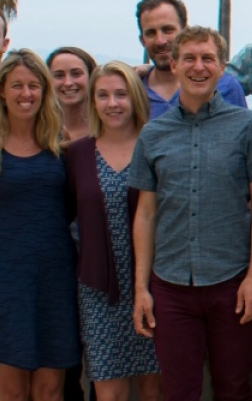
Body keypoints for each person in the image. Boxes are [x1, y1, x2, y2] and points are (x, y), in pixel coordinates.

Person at [126, 26, 252, 401]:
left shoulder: (247, 126)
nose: (198, 67)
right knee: (179, 391)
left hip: (232, 282)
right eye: (190, 58)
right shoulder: (152, 134)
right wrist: (141, 289)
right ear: (174, 64)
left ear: (222, 68)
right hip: (171, 285)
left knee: (234, 386)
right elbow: (145, 214)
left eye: (208, 58)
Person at [0, 50, 80, 401]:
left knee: (51, 390)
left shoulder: (58, 140)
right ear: (2, 91)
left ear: (44, 91)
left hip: (56, 274)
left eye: (34, 85)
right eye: (17, 85)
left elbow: (65, 207)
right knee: (12, 392)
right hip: (3, 277)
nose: (26, 93)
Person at [68, 61, 163, 401]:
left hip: (155, 284)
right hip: (98, 289)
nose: (113, 103)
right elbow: (58, 213)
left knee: (154, 390)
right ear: (92, 101)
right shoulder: (77, 154)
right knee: (109, 394)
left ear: (135, 98)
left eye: (121, 94)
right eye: (103, 95)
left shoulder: (156, 147)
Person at [136, 0, 248, 117]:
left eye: (168, 30)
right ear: (142, 40)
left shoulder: (226, 86)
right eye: (151, 33)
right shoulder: (132, 93)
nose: (160, 40)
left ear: (185, 31)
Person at [48, 47, 97, 143]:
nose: (68, 83)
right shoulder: (41, 133)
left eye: (76, 74)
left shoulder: (107, 131)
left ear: (91, 77)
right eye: (59, 75)